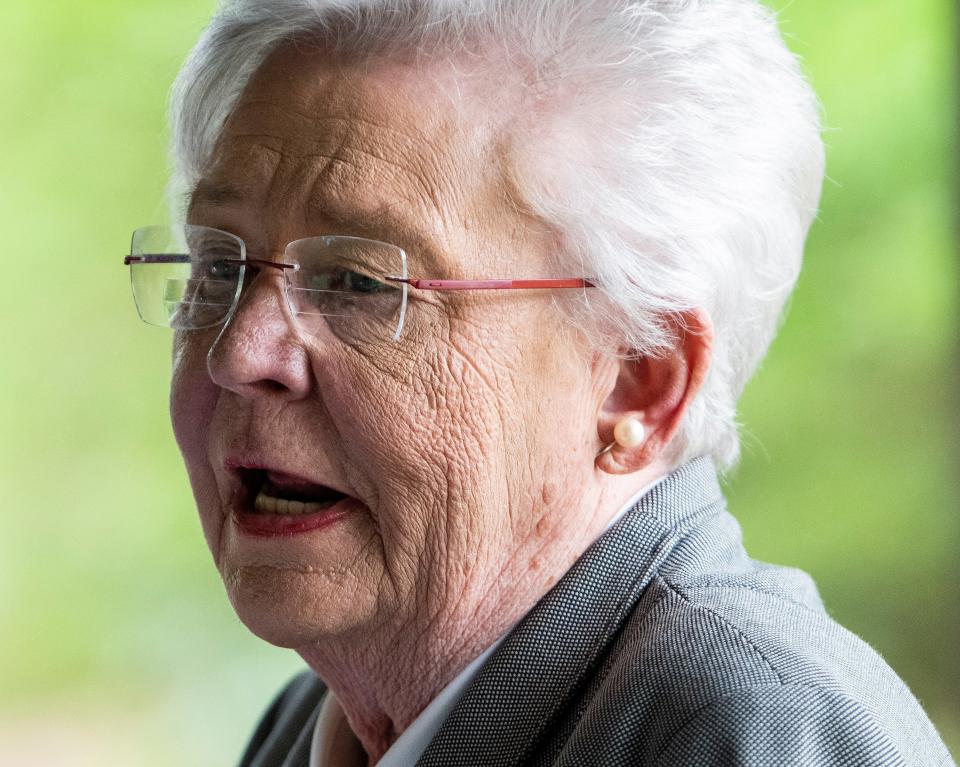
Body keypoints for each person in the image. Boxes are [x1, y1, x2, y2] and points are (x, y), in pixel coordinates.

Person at [122, 1, 955, 764]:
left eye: (362, 284)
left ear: (637, 383)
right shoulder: (314, 724)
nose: (240, 353)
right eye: (217, 264)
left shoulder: (757, 731)